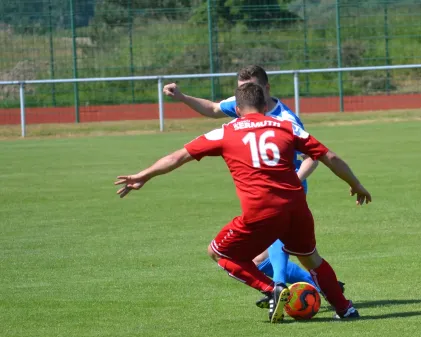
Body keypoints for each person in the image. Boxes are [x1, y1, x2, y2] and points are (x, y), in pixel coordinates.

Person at [115, 82, 371, 323]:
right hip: (296, 206)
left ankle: (272, 289)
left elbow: (178, 156)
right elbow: (329, 156)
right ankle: (345, 309)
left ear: (237, 110)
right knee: (311, 258)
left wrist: (144, 176)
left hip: (260, 211)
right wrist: (355, 184)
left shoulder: (225, 132)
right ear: (264, 105)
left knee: (219, 252)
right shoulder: (286, 126)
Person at [163, 65, 327, 302]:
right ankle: (308, 285)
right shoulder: (243, 103)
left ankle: (279, 288)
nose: (247, 91)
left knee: (275, 244)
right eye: (242, 89)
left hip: (287, 194)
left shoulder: (286, 119)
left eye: (252, 87)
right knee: (259, 261)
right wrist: (181, 97)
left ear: (266, 89)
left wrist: (291, 181)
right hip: (259, 195)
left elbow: (313, 157)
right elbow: (212, 108)